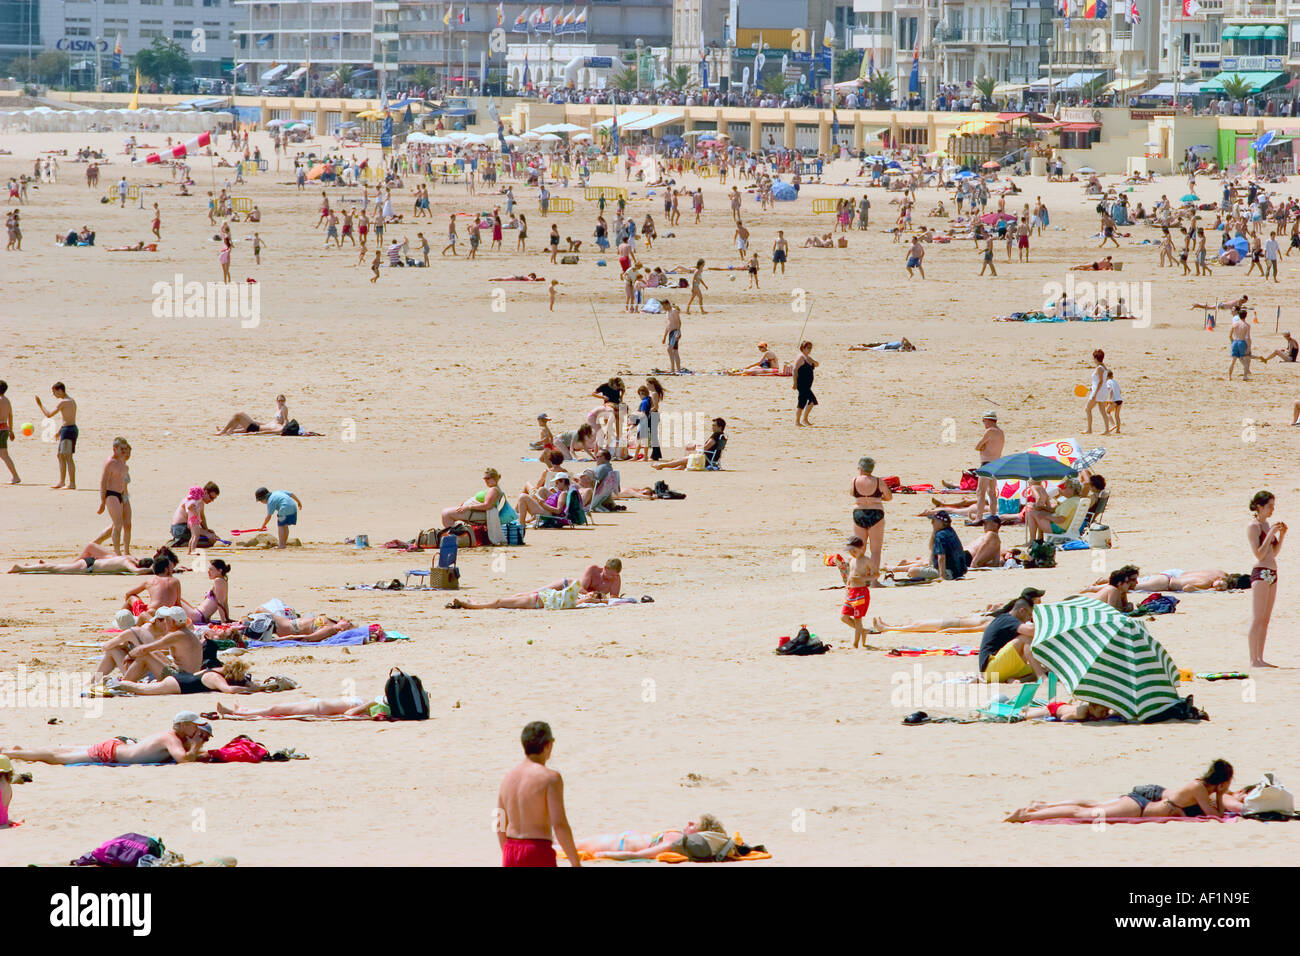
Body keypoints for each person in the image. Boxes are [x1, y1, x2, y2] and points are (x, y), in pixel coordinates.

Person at [1005, 759, 1237, 822]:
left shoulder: (1198, 785)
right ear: (1221, 782)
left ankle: (1041, 807)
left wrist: (1218, 792)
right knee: (1083, 813)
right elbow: (1213, 815)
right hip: (1140, 808)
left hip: (1142, 803)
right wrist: (1219, 793)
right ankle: (1027, 815)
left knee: (1091, 806)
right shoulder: (1199, 788)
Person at [496, 721, 580, 867]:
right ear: (548, 746)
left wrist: (507, 852)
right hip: (537, 850)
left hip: (510, 850)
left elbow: (498, 822)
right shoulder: (550, 778)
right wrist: (575, 862)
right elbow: (559, 824)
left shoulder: (508, 777)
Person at [2, 712, 213, 766]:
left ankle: (23, 749)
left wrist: (199, 746)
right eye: (193, 726)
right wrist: (195, 746)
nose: (196, 730)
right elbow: (184, 760)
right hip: (111, 753)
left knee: (66, 750)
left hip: (115, 748)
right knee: (58, 757)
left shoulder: (174, 738)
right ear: (183, 725)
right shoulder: (171, 738)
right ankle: (13, 753)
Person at [579, 814, 728, 860]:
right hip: (621, 839)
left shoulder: (676, 841)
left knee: (562, 846)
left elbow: (639, 855)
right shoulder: (678, 836)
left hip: (617, 844)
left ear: (697, 834)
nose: (689, 823)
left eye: (693, 825)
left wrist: (607, 855)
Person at [1246, 490, 1285, 668]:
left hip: (1272, 571)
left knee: (1266, 619)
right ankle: (1253, 659)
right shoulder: (1253, 527)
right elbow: (1259, 554)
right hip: (1260, 572)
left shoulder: (1268, 525)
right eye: (1269, 506)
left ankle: (1260, 658)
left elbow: (1273, 553)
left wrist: (1282, 535)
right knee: (1257, 617)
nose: (1272, 510)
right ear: (1259, 507)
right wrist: (1270, 535)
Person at [978, 588, 1045, 683]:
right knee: (1026, 638)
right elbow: (1031, 631)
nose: (1030, 618)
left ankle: (1015, 679)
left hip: (998, 669)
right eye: (1030, 615)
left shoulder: (1009, 620)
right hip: (991, 669)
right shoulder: (1007, 619)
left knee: (1047, 669)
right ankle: (1041, 677)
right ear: (1022, 610)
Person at [104, 658, 261, 697]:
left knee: (145, 688)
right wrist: (247, 688)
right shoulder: (215, 677)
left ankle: (118, 683)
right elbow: (228, 690)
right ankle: (114, 683)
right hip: (179, 684)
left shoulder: (218, 669)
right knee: (143, 690)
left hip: (182, 678)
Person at [850, 457, 891, 583]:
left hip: (859, 512)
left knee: (859, 549)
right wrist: (879, 499)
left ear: (860, 468)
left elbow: (852, 493)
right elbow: (889, 497)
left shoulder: (855, 480)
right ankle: (874, 581)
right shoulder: (879, 481)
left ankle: (858, 578)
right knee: (876, 550)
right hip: (876, 512)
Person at [8, 541, 157, 574]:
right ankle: (22, 568)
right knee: (54, 569)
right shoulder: (128, 563)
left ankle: (31, 566)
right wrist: (153, 570)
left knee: (56, 568)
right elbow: (137, 572)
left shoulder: (131, 558)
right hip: (88, 566)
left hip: (90, 564)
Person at [441, 467, 519, 528]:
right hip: (474, 512)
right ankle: (457, 534)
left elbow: (488, 505)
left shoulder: (494, 490)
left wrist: (468, 507)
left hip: (476, 513)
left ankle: (456, 537)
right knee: (446, 513)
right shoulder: (493, 489)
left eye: (488, 478)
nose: (485, 480)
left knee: (446, 514)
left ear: (494, 478)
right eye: (484, 478)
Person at [35, 381, 77, 490]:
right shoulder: (72, 401)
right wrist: (59, 431)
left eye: (54, 392)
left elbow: (49, 415)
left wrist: (40, 405)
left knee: (68, 457)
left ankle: (72, 483)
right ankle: (62, 482)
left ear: (60, 390)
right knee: (60, 455)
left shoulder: (63, 402)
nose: (54, 395)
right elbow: (69, 419)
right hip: (69, 429)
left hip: (68, 430)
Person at [833, 537, 873, 648]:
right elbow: (850, 574)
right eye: (850, 551)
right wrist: (847, 587)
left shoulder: (866, 560)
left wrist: (863, 578)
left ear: (862, 548)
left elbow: (876, 574)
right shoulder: (852, 560)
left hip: (861, 592)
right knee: (844, 617)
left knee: (857, 619)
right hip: (851, 592)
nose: (852, 553)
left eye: (854, 550)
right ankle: (863, 631)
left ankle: (855, 644)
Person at [95, 437, 131, 554]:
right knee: (117, 524)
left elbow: (124, 482)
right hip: (111, 494)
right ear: (114, 449)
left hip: (123, 495)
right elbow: (103, 481)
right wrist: (102, 501)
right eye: (122, 449)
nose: (124, 451)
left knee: (127, 524)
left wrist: (125, 497)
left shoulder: (123, 463)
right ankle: (117, 552)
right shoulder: (110, 462)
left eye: (125, 449)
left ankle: (126, 551)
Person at [652, 418, 726, 470]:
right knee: (684, 458)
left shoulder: (716, 435)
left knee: (683, 459)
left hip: (705, 460)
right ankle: (679, 466)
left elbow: (705, 448)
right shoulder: (722, 436)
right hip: (711, 459)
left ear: (720, 427)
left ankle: (661, 465)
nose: (712, 427)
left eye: (714, 425)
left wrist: (695, 447)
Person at [170, 481, 221, 554]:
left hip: (180, 528)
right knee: (205, 539)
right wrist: (206, 533)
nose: (211, 501)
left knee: (208, 537)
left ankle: (183, 542)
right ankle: (183, 543)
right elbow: (191, 523)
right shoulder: (193, 501)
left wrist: (206, 530)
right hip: (180, 528)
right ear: (205, 492)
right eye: (211, 497)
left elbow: (202, 517)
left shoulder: (200, 502)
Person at [974, 411, 1004, 520]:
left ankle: (979, 518)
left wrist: (983, 446)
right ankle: (993, 515)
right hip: (996, 463)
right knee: (991, 492)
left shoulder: (990, 431)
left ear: (988, 420)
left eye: (984, 420)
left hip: (987, 464)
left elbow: (977, 446)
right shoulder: (1001, 432)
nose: (983, 423)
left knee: (980, 491)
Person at [185, 558, 231, 624]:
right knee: (178, 598)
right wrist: (227, 619)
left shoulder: (218, 581)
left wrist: (223, 622)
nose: (208, 571)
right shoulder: (222, 581)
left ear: (219, 571)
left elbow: (220, 603)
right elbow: (225, 602)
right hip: (198, 614)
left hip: (198, 616)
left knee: (175, 598)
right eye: (208, 569)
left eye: (211, 569)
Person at [216, 395, 289, 435]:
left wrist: (257, 433)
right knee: (239, 421)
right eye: (279, 400)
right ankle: (228, 431)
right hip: (257, 426)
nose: (280, 402)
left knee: (238, 415)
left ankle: (223, 431)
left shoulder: (279, 426)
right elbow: (267, 425)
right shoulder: (274, 421)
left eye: (282, 401)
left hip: (255, 428)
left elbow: (271, 431)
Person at [928, 511, 968, 580]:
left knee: (912, 571)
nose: (932, 523)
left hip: (948, 572)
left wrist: (942, 576)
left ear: (941, 522)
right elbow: (931, 548)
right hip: (958, 572)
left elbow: (941, 557)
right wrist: (934, 531)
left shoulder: (940, 535)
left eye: (934, 521)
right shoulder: (950, 531)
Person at [1085, 349, 1111, 435]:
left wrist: (1095, 393)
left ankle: (1089, 429)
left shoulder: (1100, 368)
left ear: (1096, 358)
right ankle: (1107, 430)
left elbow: (1100, 381)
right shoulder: (1104, 367)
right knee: (1102, 410)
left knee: (1088, 409)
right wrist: (1092, 387)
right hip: (1103, 390)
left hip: (1098, 392)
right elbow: (1102, 381)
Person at [793, 341, 818, 426]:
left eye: (810, 348)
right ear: (803, 348)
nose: (809, 349)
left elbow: (817, 364)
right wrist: (794, 383)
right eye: (808, 348)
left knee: (806, 401)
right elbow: (795, 370)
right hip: (802, 383)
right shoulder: (800, 357)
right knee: (808, 401)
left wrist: (811, 360)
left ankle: (803, 420)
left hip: (807, 384)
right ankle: (798, 421)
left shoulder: (807, 357)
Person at [0, 380, 19, 483]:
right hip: (5, 429)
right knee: (3, 454)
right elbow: (10, 415)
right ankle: (15, 476)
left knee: (4, 454)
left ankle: (16, 476)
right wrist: (11, 430)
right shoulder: (7, 400)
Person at [1228, 309, 1253, 380]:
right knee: (1244, 360)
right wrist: (1248, 347)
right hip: (1242, 342)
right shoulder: (1247, 325)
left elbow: (1230, 335)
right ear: (1246, 316)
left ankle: (1229, 377)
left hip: (1235, 341)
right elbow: (1248, 337)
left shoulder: (1235, 324)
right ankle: (1245, 376)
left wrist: (1232, 342)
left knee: (1233, 361)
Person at [662, 298, 682, 373]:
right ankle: (674, 368)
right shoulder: (667, 313)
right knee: (673, 351)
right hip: (671, 333)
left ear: (667, 304)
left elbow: (679, 322)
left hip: (675, 332)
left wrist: (678, 332)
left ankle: (677, 369)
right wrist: (664, 337)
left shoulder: (674, 311)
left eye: (664, 306)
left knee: (671, 350)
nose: (663, 308)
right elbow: (668, 325)